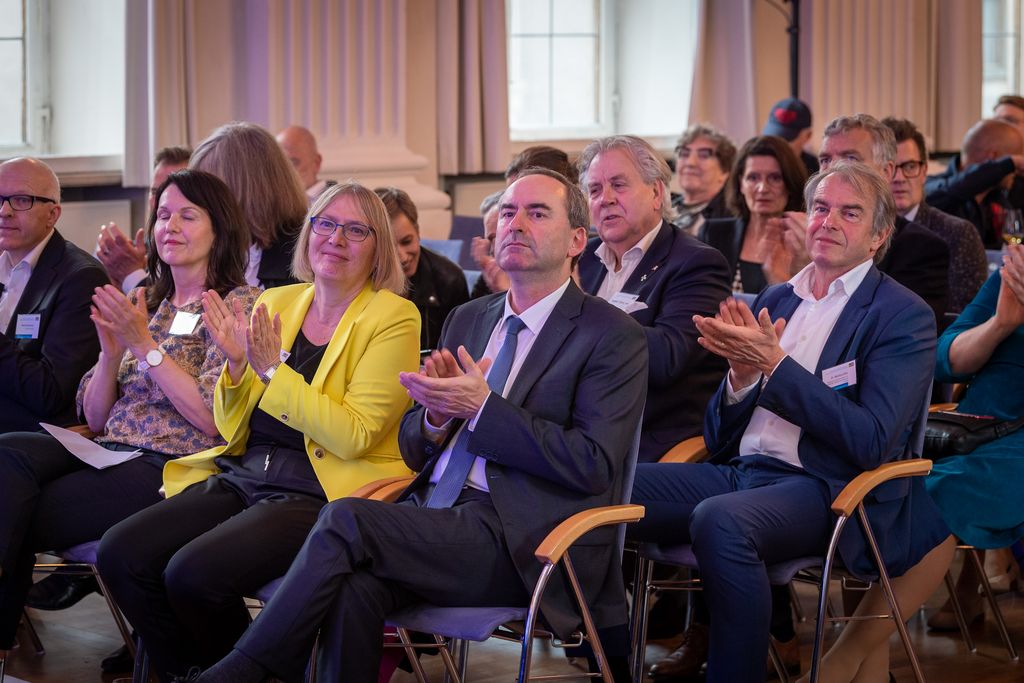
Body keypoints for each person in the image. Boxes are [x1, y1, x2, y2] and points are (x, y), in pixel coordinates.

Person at [192, 167, 648, 683]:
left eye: (537, 213)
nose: (516, 224)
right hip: (434, 515)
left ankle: (241, 672)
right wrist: (434, 417)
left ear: (577, 241)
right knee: (352, 588)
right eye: (507, 212)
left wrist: (484, 410)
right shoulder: (470, 318)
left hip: (525, 538)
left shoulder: (610, 334)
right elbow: (412, 447)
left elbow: (593, 464)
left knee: (346, 518)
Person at [628, 162, 954, 683]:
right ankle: (603, 652)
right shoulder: (778, 298)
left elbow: (871, 441)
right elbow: (719, 439)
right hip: (742, 474)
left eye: (850, 213)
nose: (828, 221)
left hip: (826, 486)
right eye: (821, 208)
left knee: (721, 520)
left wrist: (776, 367)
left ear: (878, 235)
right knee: (607, 484)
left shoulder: (900, 313)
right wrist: (740, 379)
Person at [96, 182, 420, 680]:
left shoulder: (393, 316)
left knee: (192, 573)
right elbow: (230, 424)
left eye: (357, 230)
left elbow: (354, 434)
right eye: (326, 224)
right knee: (121, 553)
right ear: (308, 233)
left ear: (378, 247)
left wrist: (271, 371)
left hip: (318, 491)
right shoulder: (281, 300)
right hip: (245, 472)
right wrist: (235, 367)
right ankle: (193, 672)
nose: (336, 239)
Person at [0, 169, 259, 665]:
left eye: (187, 216)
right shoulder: (151, 301)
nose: (169, 227)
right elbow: (97, 416)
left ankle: (189, 665)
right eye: (163, 215)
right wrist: (109, 353)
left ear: (220, 228)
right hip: (106, 447)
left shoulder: (235, 304)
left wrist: (143, 346)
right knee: (8, 452)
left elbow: (211, 419)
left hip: (171, 462)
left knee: (20, 509)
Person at [577, 135, 731, 462]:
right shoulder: (583, 259)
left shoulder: (696, 263)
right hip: (576, 429)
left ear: (657, 193)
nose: (605, 199)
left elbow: (667, 359)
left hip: (645, 439)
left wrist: (582, 311)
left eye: (619, 185)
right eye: (594, 190)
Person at [922, 248, 1024, 631]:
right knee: (881, 481)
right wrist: (999, 325)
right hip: (971, 430)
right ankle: (868, 654)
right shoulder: (1015, 273)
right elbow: (942, 359)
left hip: (1009, 447)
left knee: (935, 492)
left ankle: (851, 653)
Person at [768, 113, 950, 321]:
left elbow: (894, 327)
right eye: (825, 160)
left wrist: (809, 265)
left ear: (886, 171)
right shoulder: (797, 231)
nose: (833, 169)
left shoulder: (922, 249)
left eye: (850, 159)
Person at [0, 157, 109, 433]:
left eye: (21, 200)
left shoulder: (81, 278)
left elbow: (51, 394)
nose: (4, 211)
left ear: (52, 214)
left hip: (28, 433)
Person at [882, 117, 988, 314]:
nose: (899, 178)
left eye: (910, 166)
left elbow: (965, 316)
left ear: (924, 172)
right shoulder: (861, 234)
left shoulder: (958, 233)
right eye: (889, 168)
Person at [192, 122, 310, 290]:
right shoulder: (211, 246)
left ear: (250, 190)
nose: (200, 201)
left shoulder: (303, 253)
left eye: (210, 190)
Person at [699, 135, 808, 294]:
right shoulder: (713, 234)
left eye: (775, 178)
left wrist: (780, 278)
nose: (763, 188)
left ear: (790, 184)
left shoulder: (801, 244)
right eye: (753, 177)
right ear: (741, 184)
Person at [374, 186, 468, 350]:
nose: (402, 257)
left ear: (417, 232)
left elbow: (462, 349)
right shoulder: (358, 278)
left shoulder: (449, 280)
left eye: (407, 241)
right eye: (389, 247)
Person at [97, 146, 191, 293]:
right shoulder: (137, 252)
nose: (159, 202)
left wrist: (131, 275)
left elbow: (168, 306)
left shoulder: (197, 252)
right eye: (155, 192)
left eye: (173, 192)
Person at [926, 118, 1024, 248]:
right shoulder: (933, 187)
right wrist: (1009, 163)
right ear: (993, 158)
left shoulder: (995, 199)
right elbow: (953, 190)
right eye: (1015, 162)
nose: (1016, 171)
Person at [671, 124, 735, 235]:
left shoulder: (731, 218)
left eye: (704, 155)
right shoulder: (662, 206)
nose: (690, 163)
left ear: (725, 171)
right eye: (684, 154)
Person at [276, 125, 335, 201]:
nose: (284, 173)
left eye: (293, 163)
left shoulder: (338, 200)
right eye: (279, 166)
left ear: (316, 162)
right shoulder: (275, 201)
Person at [762, 97, 820, 175]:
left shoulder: (815, 170)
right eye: (773, 139)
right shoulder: (757, 164)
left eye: (786, 139)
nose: (777, 146)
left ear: (808, 136)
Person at [470, 189, 507, 299]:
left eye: (500, 237)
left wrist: (505, 293)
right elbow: (473, 308)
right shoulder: (492, 274)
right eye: (491, 240)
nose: (494, 249)